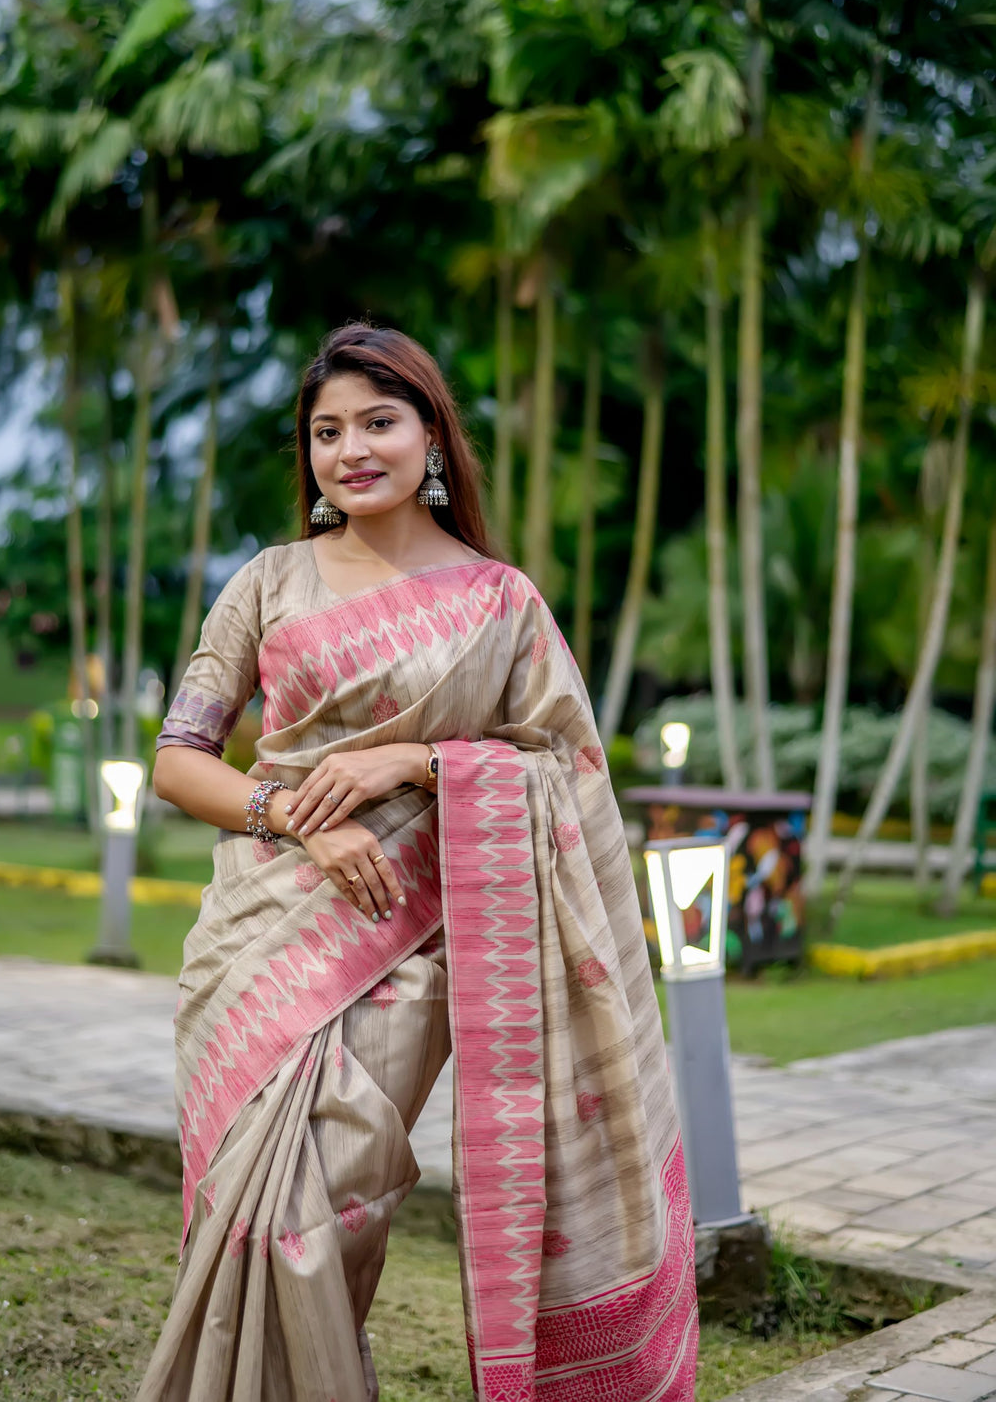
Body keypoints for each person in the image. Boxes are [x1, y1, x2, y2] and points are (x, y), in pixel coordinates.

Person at [137, 322, 697, 1402]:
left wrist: (415, 758)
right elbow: (178, 758)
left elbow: (563, 767)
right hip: (256, 942)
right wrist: (296, 814)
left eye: (379, 423)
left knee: (321, 1211)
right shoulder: (266, 583)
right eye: (326, 430)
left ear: (431, 436)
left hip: (405, 947)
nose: (352, 448)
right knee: (241, 1210)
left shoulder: (499, 601)